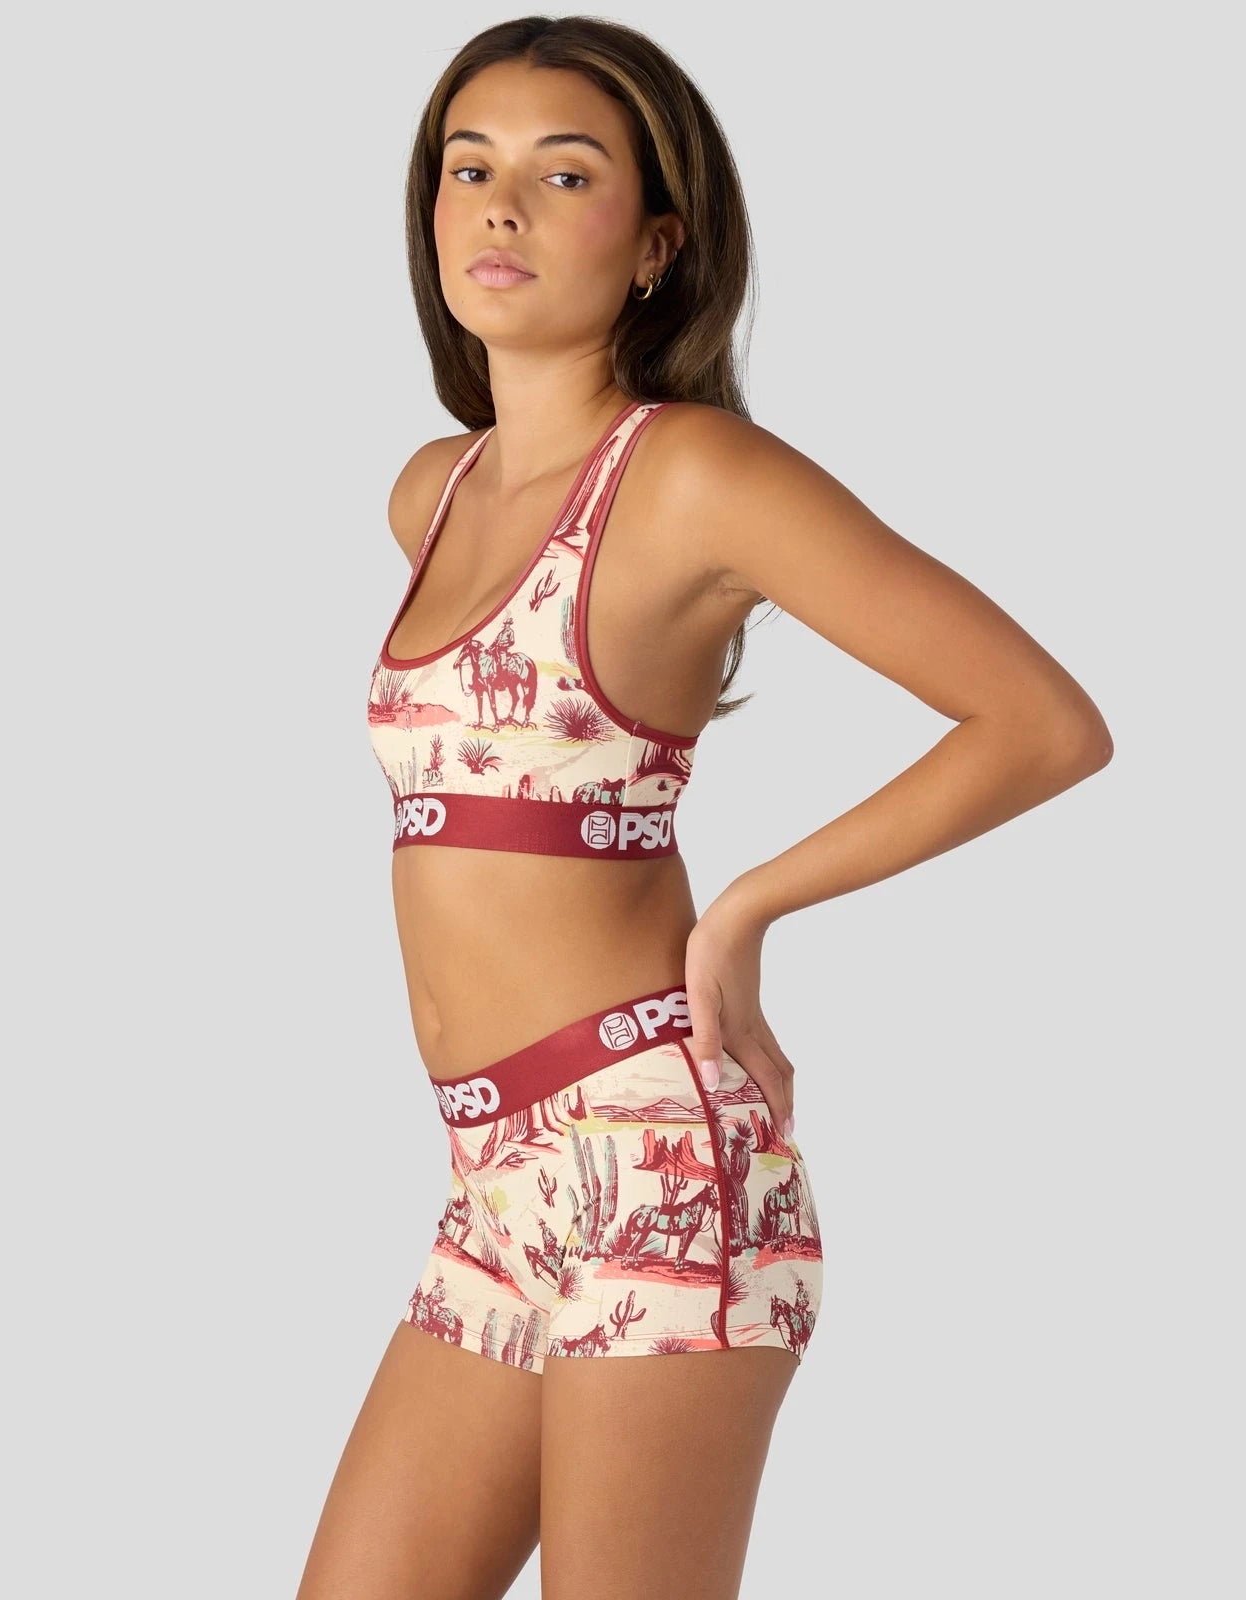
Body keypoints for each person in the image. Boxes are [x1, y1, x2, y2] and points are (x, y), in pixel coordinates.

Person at [296, 17, 1113, 1600]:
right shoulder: (432, 493)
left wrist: (746, 906)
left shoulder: (691, 476)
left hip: (659, 1166)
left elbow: (1041, 723)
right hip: (493, 1182)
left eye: (565, 174)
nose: (500, 205)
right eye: (468, 167)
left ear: (659, 241)